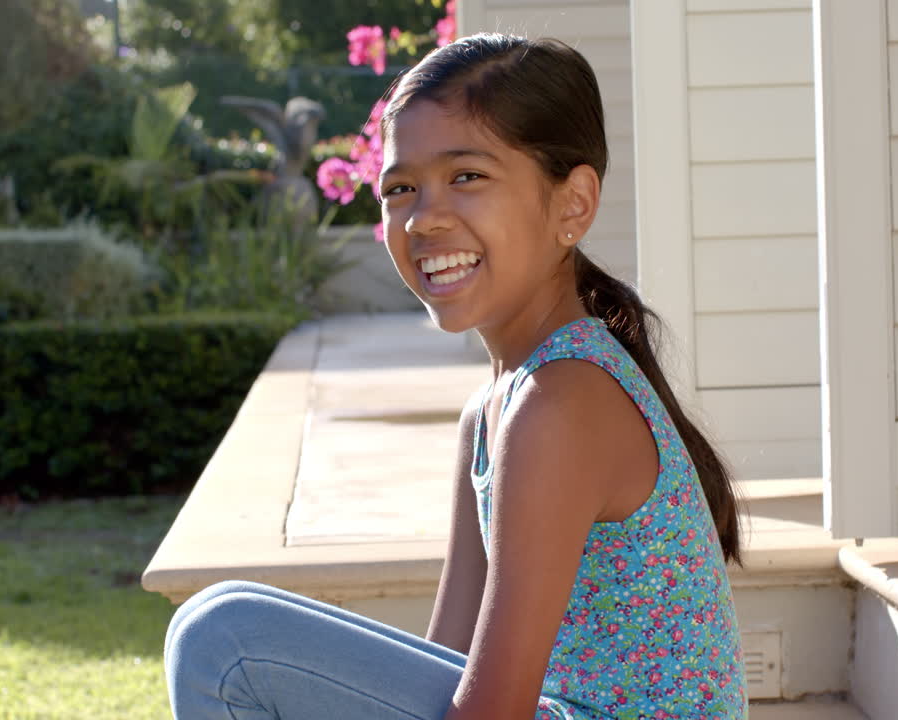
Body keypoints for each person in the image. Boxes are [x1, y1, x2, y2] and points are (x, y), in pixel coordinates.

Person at [164, 32, 748, 720]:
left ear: (573, 204)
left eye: (466, 176)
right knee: (219, 614)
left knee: (225, 644)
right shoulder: (497, 410)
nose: (423, 218)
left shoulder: (563, 403)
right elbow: (444, 665)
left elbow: (490, 711)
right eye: (401, 188)